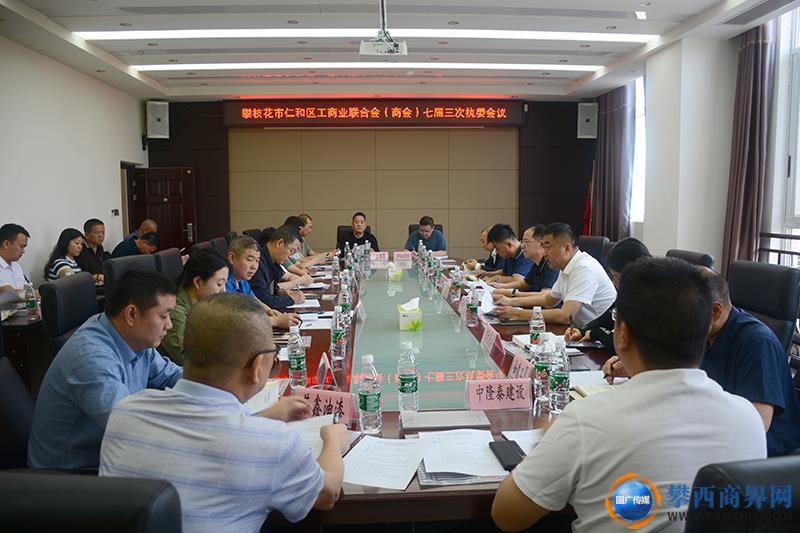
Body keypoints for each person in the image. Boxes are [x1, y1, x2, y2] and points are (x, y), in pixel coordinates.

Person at [491, 257, 766, 533]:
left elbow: (507, 516)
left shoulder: (588, 419)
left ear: (622, 334)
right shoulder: (748, 418)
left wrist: (545, 442)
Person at [100, 293, 349, 532]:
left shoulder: (127, 412)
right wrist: (333, 439)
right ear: (256, 367)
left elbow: (203, 434)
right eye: (273, 358)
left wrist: (268, 415)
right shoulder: (274, 442)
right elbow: (328, 494)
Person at [603, 269, 800, 457]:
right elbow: (677, 374)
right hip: (712, 429)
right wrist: (635, 365)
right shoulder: (704, 333)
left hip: (763, 453)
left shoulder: (757, 343)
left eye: (687, 312)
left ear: (715, 311)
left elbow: (758, 424)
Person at [28, 270, 183, 471]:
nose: (169, 325)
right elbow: (131, 427)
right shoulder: (91, 359)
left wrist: (210, 384)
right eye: (164, 316)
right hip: (70, 474)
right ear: (131, 314)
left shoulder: (134, 337)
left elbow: (170, 375)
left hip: (109, 451)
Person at [492, 223, 616, 326]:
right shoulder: (566, 265)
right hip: (578, 331)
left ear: (567, 248)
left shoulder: (584, 268)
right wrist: (510, 302)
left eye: (547, 247)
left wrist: (517, 313)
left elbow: (566, 316)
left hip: (597, 337)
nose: (544, 253)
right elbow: (549, 300)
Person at [564, 237, 651, 352]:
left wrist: (596, 333)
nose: (614, 283)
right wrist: (582, 330)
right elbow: (608, 317)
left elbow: (624, 343)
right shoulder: (630, 291)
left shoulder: (649, 298)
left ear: (633, 273)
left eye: (617, 277)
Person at [159, 249, 229, 365]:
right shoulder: (175, 310)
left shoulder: (204, 304)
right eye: (219, 284)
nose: (224, 291)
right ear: (198, 282)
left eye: (225, 284)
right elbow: (184, 357)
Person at [225, 235, 299, 329]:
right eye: (249, 260)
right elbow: (236, 320)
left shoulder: (242, 280)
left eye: (257, 261)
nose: (254, 266)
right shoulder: (223, 283)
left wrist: (270, 311)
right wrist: (275, 321)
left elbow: (254, 300)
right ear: (232, 258)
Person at [489, 225, 558, 295]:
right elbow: (523, 285)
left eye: (526, 242)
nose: (522, 246)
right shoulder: (536, 264)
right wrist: (498, 286)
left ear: (541, 244)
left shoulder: (551, 264)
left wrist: (512, 295)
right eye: (523, 242)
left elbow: (545, 295)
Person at [250, 225, 305, 310]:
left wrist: (279, 292)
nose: (290, 257)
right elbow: (263, 300)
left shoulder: (272, 261)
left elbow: (269, 290)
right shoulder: (258, 263)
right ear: (280, 243)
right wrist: (292, 299)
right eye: (291, 251)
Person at [76, 218, 110, 285]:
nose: (101, 236)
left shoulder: (100, 247)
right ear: (86, 235)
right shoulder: (80, 248)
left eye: (103, 232)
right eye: (97, 233)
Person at [0, 223, 30, 299]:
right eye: (21, 247)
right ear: (6, 244)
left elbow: (29, 291)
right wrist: (27, 294)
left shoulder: (16, 266)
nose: (23, 251)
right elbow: (7, 295)